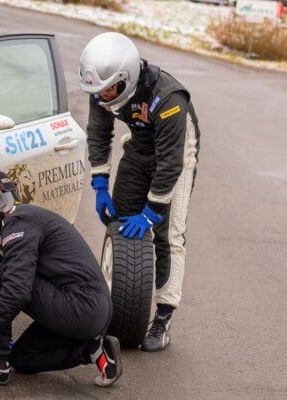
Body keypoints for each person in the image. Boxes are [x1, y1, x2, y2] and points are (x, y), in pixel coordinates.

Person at [0, 166, 122, 386]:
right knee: (22, 359)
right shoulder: (19, 220)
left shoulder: (18, 224)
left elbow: (16, 290)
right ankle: (96, 351)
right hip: (84, 309)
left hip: (82, 306)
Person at [79, 32, 200, 351]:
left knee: (167, 233)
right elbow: (98, 133)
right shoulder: (102, 89)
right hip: (139, 147)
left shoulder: (168, 97)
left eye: (108, 89)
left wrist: (152, 211)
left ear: (127, 77)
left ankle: (163, 315)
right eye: (97, 91)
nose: (103, 96)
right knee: (119, 222)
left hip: (177, 152)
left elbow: (171, 163)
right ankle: (112, 304)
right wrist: (100, 183)